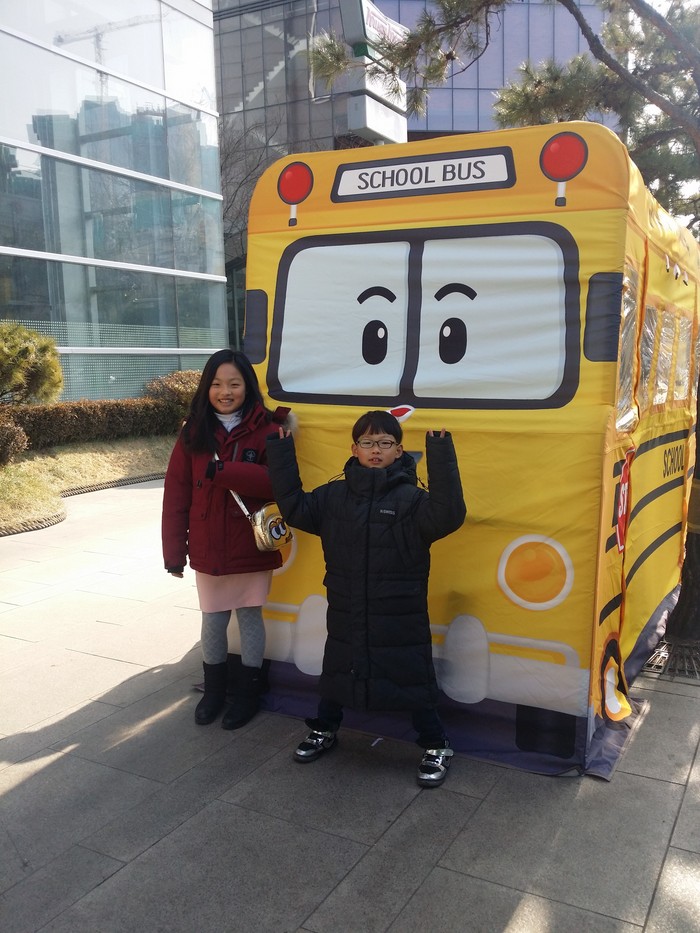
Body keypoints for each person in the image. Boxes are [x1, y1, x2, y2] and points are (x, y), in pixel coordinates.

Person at [266, 410, 466, 787]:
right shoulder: (333, 496)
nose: (376, 450)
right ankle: (324, 728)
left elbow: (449, 515)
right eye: (368, 442)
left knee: (412, 677)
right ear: (354, 448)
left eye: (385, 443)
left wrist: (439, 453)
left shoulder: (413, 501)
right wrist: (280, 453)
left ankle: (437, 744)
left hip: (400, 614)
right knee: (338, 670)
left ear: (399, 450)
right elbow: (294, 507)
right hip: (347, 609)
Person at [162, 348, 290, 729]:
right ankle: (215, 692)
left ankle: (248, 694)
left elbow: (278, 484)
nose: (225, 392)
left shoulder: (270, 430)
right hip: (209, 547)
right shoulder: (193, 432)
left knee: (250, 617)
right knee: (213, 620)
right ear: (207, 388)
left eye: (234, 384)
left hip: (250, 545)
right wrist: (174, 554)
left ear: (247, 386)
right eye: (217, 384)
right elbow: (176, 494)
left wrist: (225, 471)